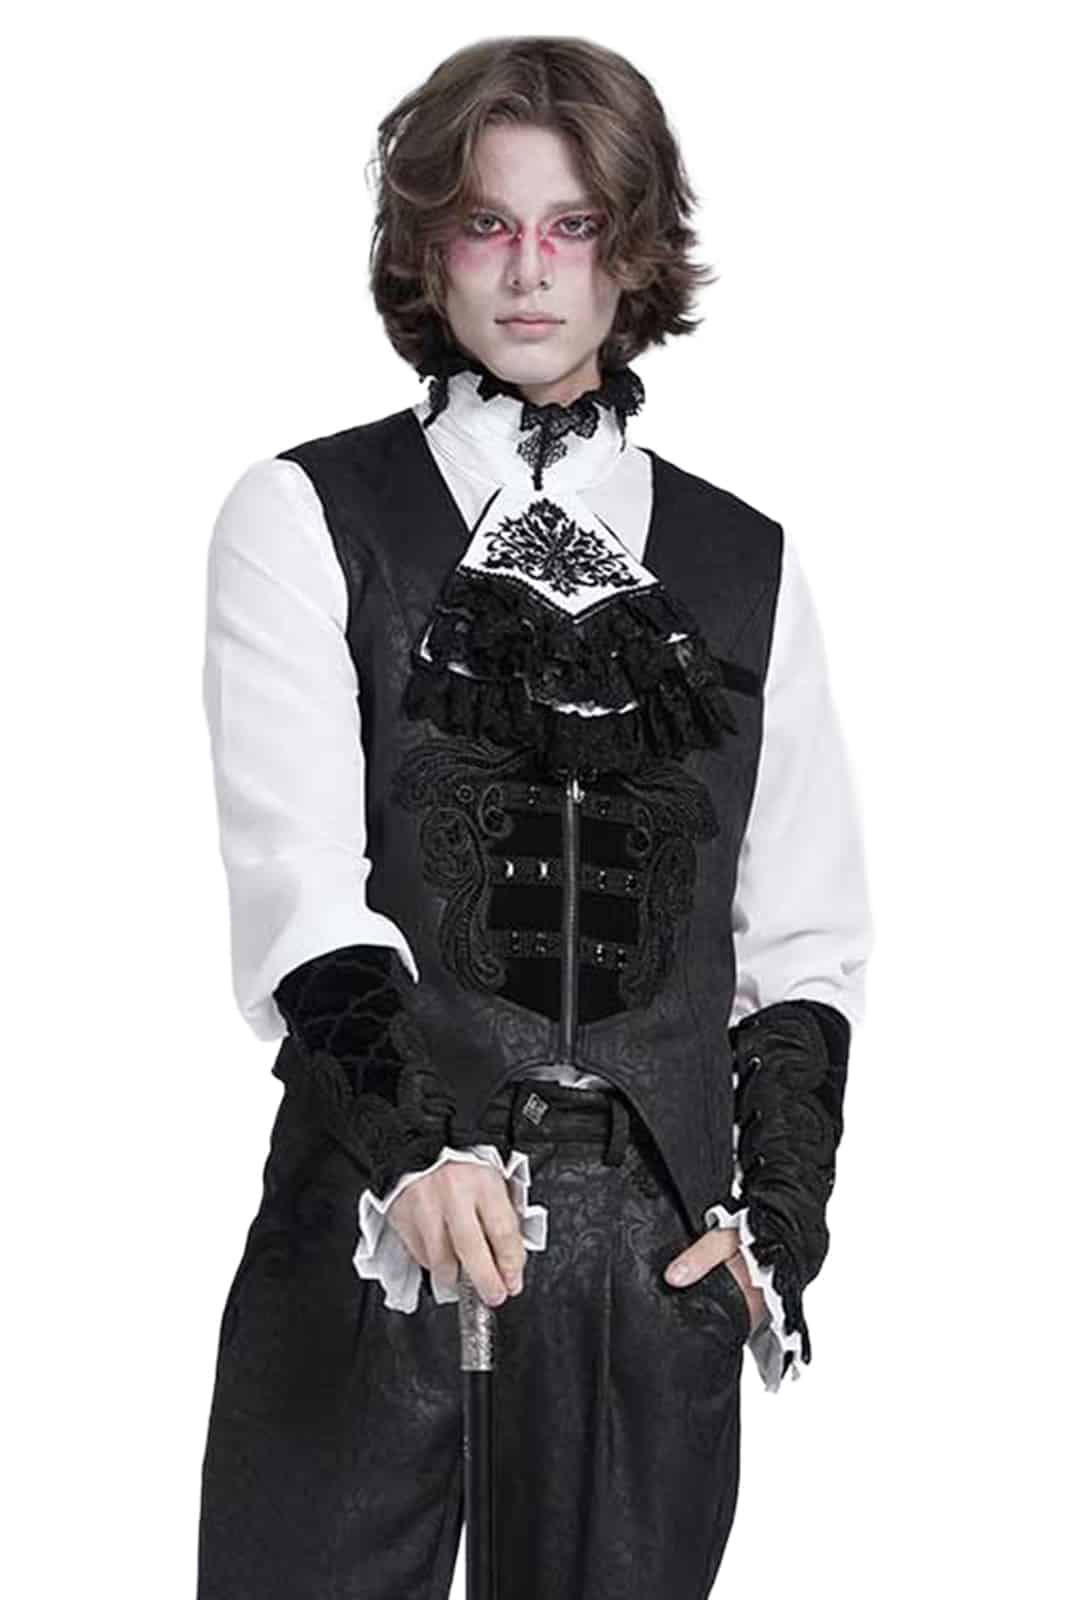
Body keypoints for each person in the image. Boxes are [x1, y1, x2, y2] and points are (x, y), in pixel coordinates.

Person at [196, 35, 874, 1600]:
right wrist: (413, 1150)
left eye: (572, 227)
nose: (528, 272)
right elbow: (302, 887)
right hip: (379, 1231)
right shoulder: (306, 517)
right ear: (427, 248)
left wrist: (775, 1225)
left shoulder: (743, 565)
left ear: (630, 253)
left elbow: (802, 938)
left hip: (649, 1278)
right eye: (487, 225)